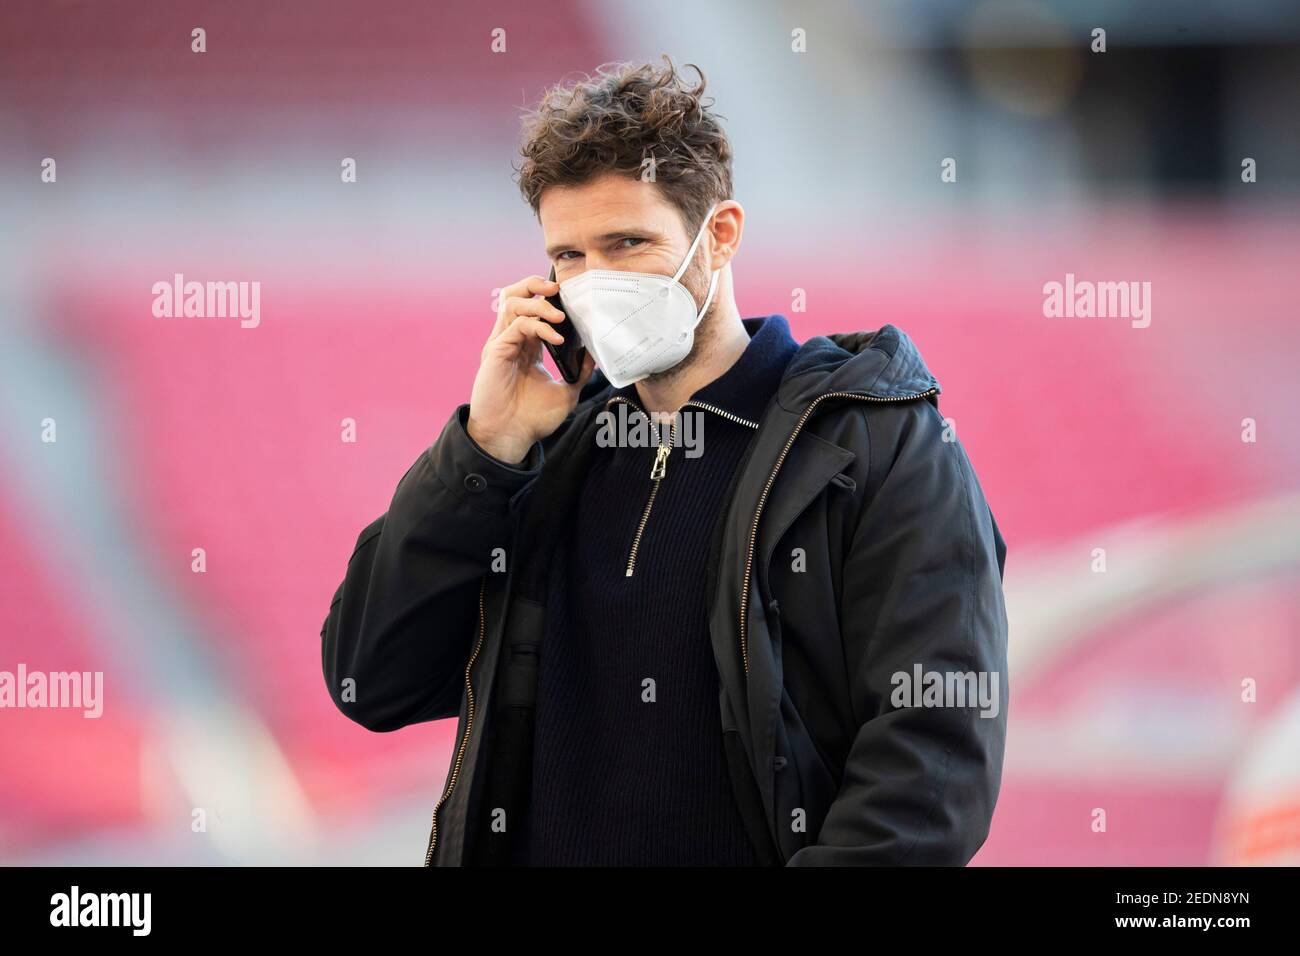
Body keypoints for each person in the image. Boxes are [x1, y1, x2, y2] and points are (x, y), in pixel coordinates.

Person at [321, 55, 1008, 866]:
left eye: (628, 242)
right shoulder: (544, 459)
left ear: (718, 235)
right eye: (569, 257)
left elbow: (929, 764)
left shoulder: (876, 444)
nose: (595, 280)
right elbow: (373, 679)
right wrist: (484, 448)